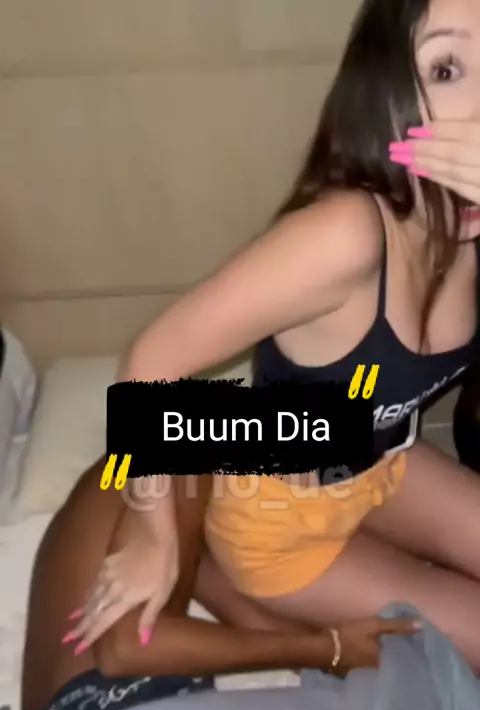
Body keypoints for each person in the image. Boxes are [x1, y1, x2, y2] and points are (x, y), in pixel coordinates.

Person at [69, 0, 480, 671]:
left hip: (382, 459)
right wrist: (152, 531)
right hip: (279, 523)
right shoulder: (346, 237)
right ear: (389, 101)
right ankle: (220, 568)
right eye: (448, 68)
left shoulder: (471, 225)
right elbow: (149, 362)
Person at [21, 460, 418, 710]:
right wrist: (326, 649)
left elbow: (236, 609)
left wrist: (337, 656)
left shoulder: (189, 520)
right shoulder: (166, 470)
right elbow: (126, 649)